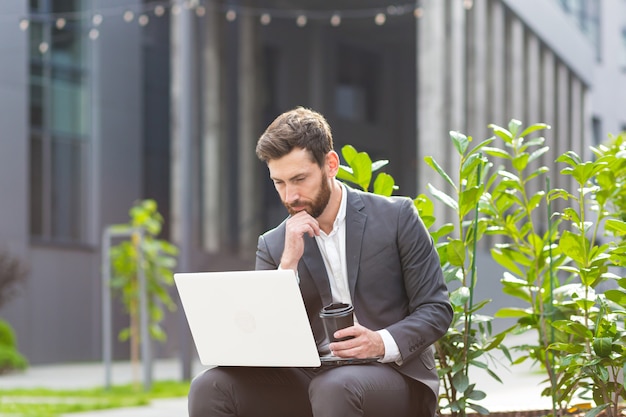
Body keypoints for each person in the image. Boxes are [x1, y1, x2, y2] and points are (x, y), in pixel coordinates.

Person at [188, 107, 453, 417]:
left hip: (391, 374)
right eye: (280, 183)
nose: (291, 196)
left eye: (300, 179)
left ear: (330, 164)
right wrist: (288, 264)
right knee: (209, 387)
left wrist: (379, 342)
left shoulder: (397, 217)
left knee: (335, 387)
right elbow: (267, 340)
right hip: (311, 378)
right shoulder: (274, 244)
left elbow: (436, 309)